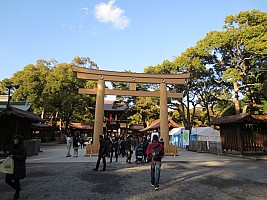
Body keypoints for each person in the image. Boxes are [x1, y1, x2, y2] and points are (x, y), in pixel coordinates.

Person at [5, 135, 27, 200]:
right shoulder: (12, 147)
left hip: (19, 167)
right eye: (15, 139)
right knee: (7, 180)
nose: (15, 140)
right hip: (11, 166)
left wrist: (15, 156)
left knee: (16, 180)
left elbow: (24, 156)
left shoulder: (23, 148)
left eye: (17, 139)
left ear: (20, 141)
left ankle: (17, 193)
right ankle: (18, 189)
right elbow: (10, 154)